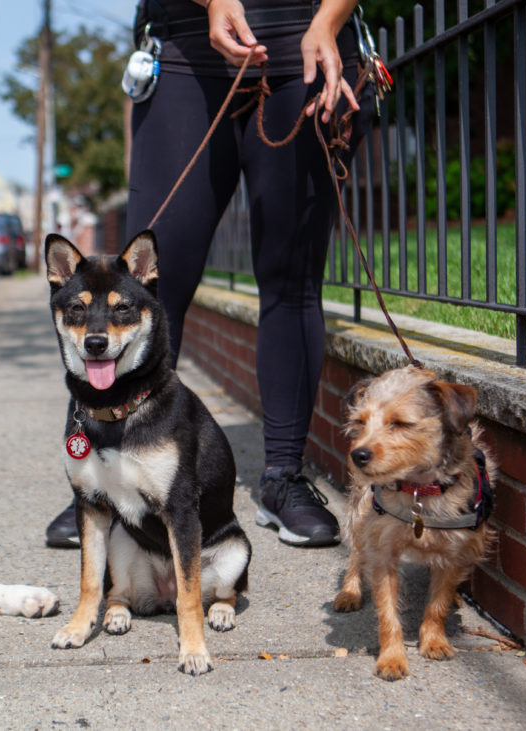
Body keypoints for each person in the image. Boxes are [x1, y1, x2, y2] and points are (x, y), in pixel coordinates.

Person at [46, 0, 372, 549]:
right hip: (185, 53)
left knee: (292, 282)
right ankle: (107, 477)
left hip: (304, 45)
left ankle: (283, 478)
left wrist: (329, 22)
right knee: (151, 284)